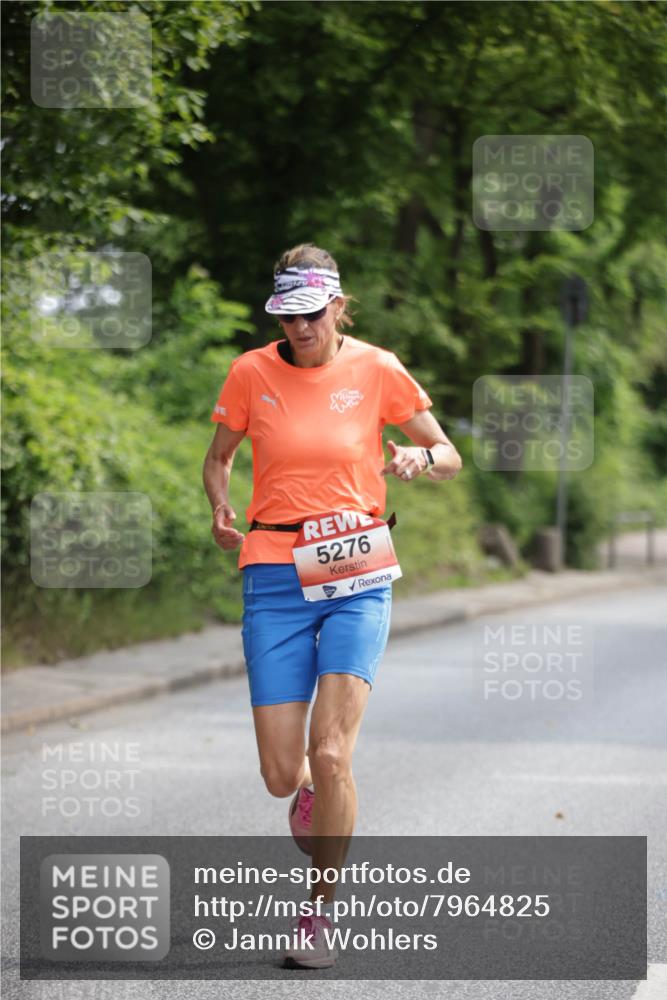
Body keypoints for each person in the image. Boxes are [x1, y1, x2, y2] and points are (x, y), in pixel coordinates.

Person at [203, 243, 462, 969]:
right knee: (283, 773)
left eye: (311, 315)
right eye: (286, 317)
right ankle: (309, 790)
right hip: (273, 572)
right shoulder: (251, 372)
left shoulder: (378, 368)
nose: (299, 329)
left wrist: (418, 459)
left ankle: (317, 914)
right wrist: (221, 509)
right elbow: (218, 456)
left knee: (332, 750)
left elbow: (446, 453)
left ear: (337, 307)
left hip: (356, 567)